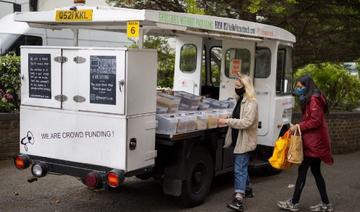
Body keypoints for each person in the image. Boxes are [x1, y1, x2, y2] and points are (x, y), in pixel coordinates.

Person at [277, 75, 334, 212]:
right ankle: (326, 204)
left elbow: (316, 121)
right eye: (297, 87)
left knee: (303, 170)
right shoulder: (312, 98)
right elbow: (311, 119)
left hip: (314, 143)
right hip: (315, 142)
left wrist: (298, 127)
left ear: (307, 86)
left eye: (300, 87)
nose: (298, 89)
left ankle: (294, 203)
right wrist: (299, 125)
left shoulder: (314, 99)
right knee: (316, 172)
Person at [218, 74, 258, 211]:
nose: (236, 88)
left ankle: (239, 199)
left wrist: (227, 121)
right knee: (242, 166)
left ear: (246, 87)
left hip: (244, 140)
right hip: (237, 139)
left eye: (239, 86)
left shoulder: (251, 103)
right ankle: (247, 189)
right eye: (235, 86)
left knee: (239, 169)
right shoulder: (240, 100)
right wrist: (229, 116)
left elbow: (247, 122)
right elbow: (238, 116)